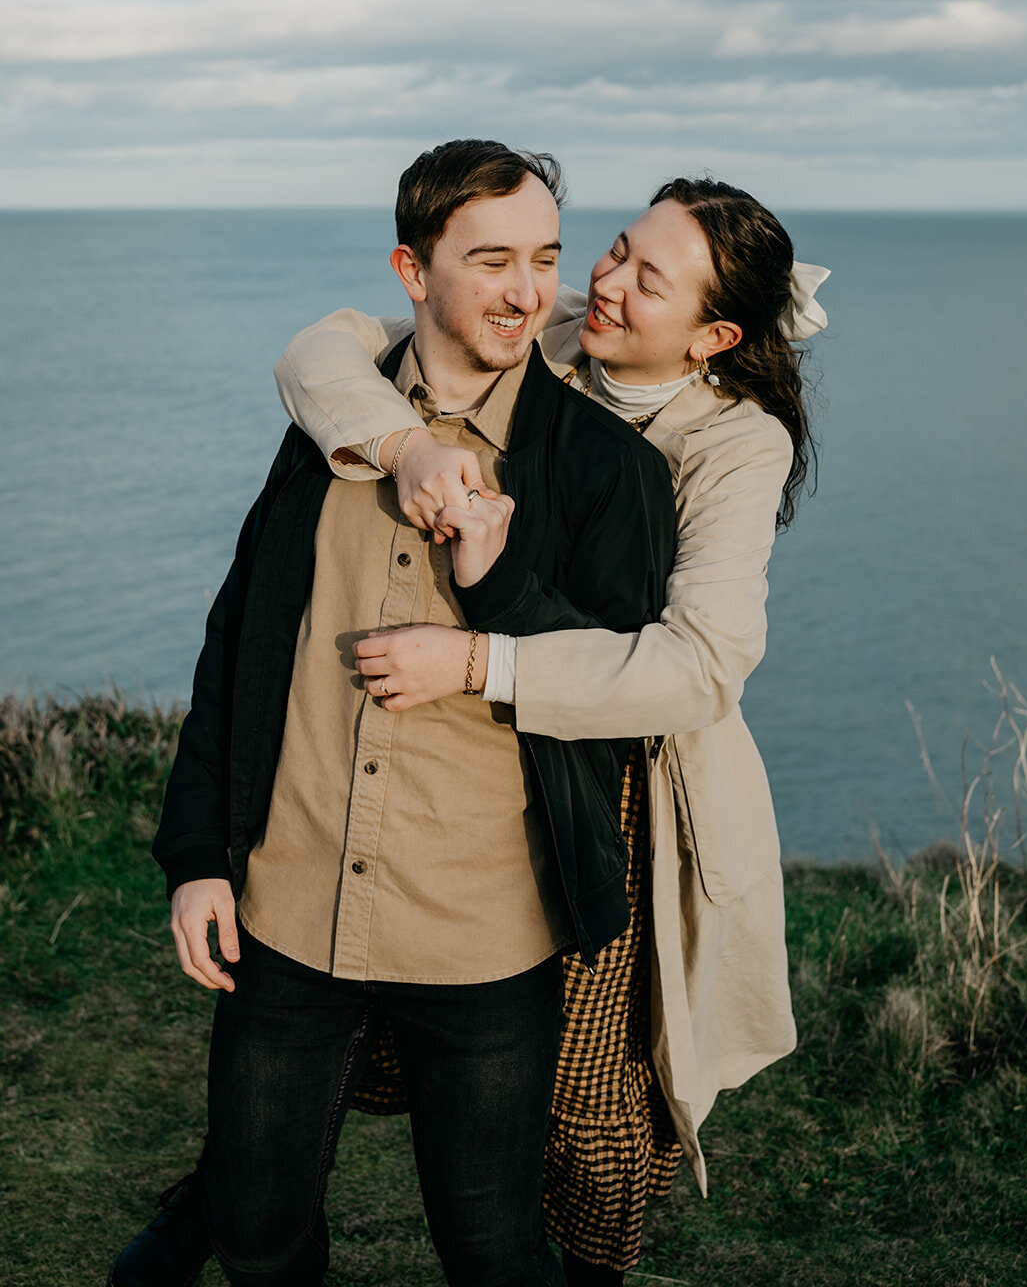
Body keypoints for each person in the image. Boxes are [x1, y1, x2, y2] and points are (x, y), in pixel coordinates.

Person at [108, 139, 678, 1287]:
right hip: (287, 907)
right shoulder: (330, 440)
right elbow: (239, 645)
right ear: (410, 272)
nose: (527, 293)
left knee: (490, 1250)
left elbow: (624, 704)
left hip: (484, 935)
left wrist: (494, 592)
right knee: (258, 1231)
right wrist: (197, 857)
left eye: (545, 260)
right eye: (489, 261)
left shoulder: (606, 469)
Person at [265, 178, 829, 1283]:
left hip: (613, 780)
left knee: (582, 1105)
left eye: (643, 279)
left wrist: (481, 661)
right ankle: (230, 1202)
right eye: (613, 250)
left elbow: (699, 664)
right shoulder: (559, 328)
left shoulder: (733, 442)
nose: (601, 284)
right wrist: (403, 449)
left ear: (714, 336)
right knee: (337, 1015)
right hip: (451, 751)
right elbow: (323, 351)